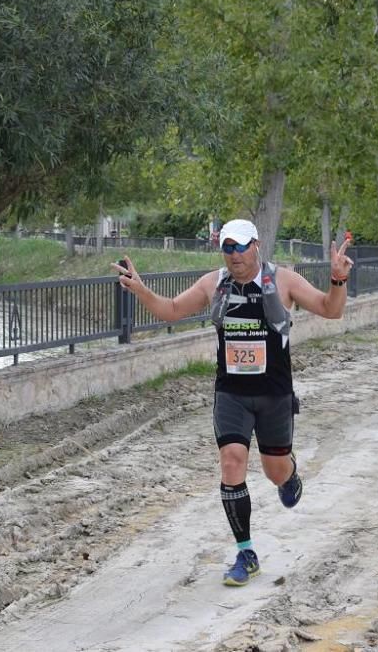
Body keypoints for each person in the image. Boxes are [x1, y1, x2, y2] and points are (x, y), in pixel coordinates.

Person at [111, 218, 353, 586]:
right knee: (231, 460)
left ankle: (289, 474)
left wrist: (337, 280)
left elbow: (331, 309)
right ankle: (246, 553)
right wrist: (142, 290)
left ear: (256, 245)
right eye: (228, 248)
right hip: (231, 395)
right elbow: (172, 310)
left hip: (274, 395)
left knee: (274, 471)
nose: (235, 255)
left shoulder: (282, 280)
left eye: (241, 246)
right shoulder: (214, 284)